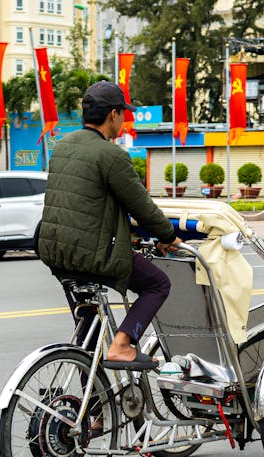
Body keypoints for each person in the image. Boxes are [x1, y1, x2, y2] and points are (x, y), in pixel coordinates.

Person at [37, 81, 182, 370]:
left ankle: (93, 413)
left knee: (87, 338)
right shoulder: (112, 155)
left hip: (55, 253)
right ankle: (122, 345)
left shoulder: (63, 147)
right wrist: (168, 236)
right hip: (91, 255)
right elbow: (142, 207)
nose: (124, 120)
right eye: (123, 114)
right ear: (113, 115)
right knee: (158, 284)